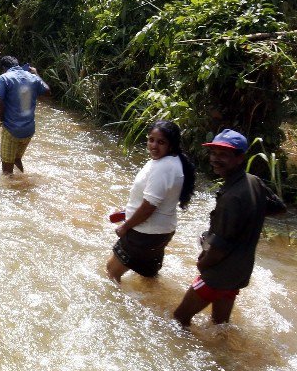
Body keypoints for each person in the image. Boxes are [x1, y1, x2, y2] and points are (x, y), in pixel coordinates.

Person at [173, 129, 286, 327]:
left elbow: (219, 249)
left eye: (223, 154)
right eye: (213, 153)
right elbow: (279, 207)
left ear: (240, 158)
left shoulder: (232, 197)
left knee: (179, 318)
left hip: (218, 274)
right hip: (239, 272)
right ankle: (221, 357)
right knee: (220, 325)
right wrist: (248, 217)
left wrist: (202, 265)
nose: (215, 159)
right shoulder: (253, 181)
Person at [105, 120, 196, 283]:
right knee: (148, 276)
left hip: (143, 234)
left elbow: (149, 207)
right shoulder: (172, 162)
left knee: (112, 272)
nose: (154, 145)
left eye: (161, 142)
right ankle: (153, 306)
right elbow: (155, 200)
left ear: (172, 145)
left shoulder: (163, 168)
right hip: (160, 233)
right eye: (151, 140)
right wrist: (129, 211)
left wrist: (125, 227)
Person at [0, 55, 51, 174]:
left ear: (4, 68)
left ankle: (12, 192)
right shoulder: (32, 77)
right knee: (16, 159)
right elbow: (48, 92)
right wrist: (36, 74)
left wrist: (3, 120)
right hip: (28, 130)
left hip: (12, 129)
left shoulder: (4, 78)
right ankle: (23, 181)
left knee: (7, 172)